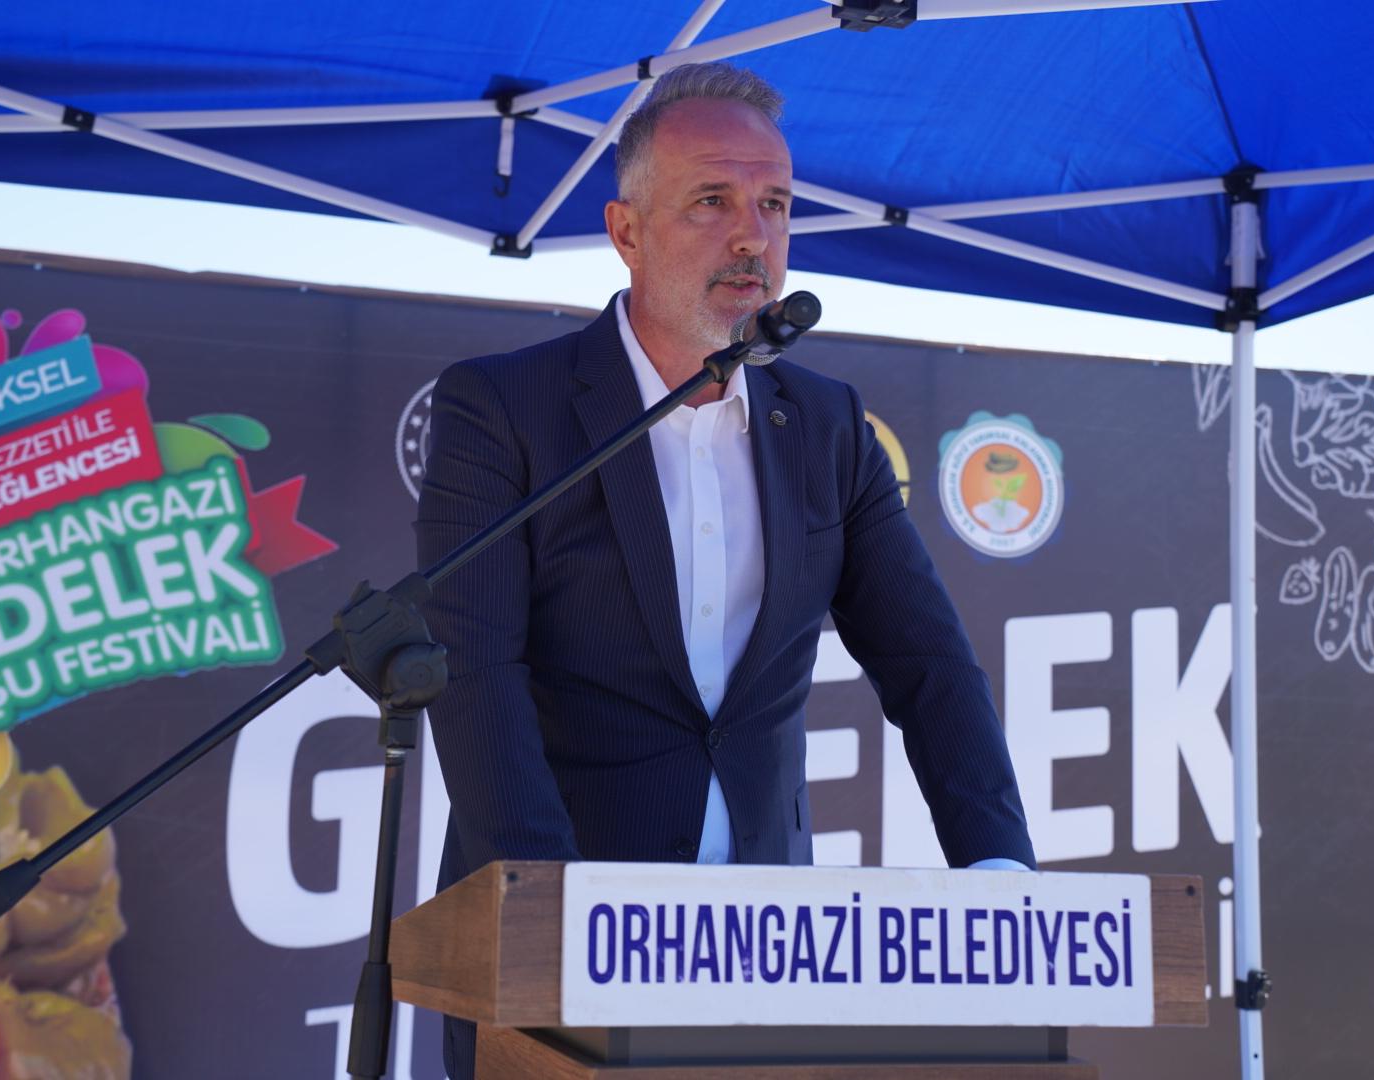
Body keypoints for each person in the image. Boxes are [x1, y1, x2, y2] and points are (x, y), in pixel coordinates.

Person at [414, 62, 1034, 1078]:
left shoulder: (828, 426)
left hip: (764, 957)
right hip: (553, 953)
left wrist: (999, 870)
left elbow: (929, 666)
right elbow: (474, 674)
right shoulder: (502, 410)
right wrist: (560, 919)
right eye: (712, 201)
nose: (752, 236)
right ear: (625, 231)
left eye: (774, 204)